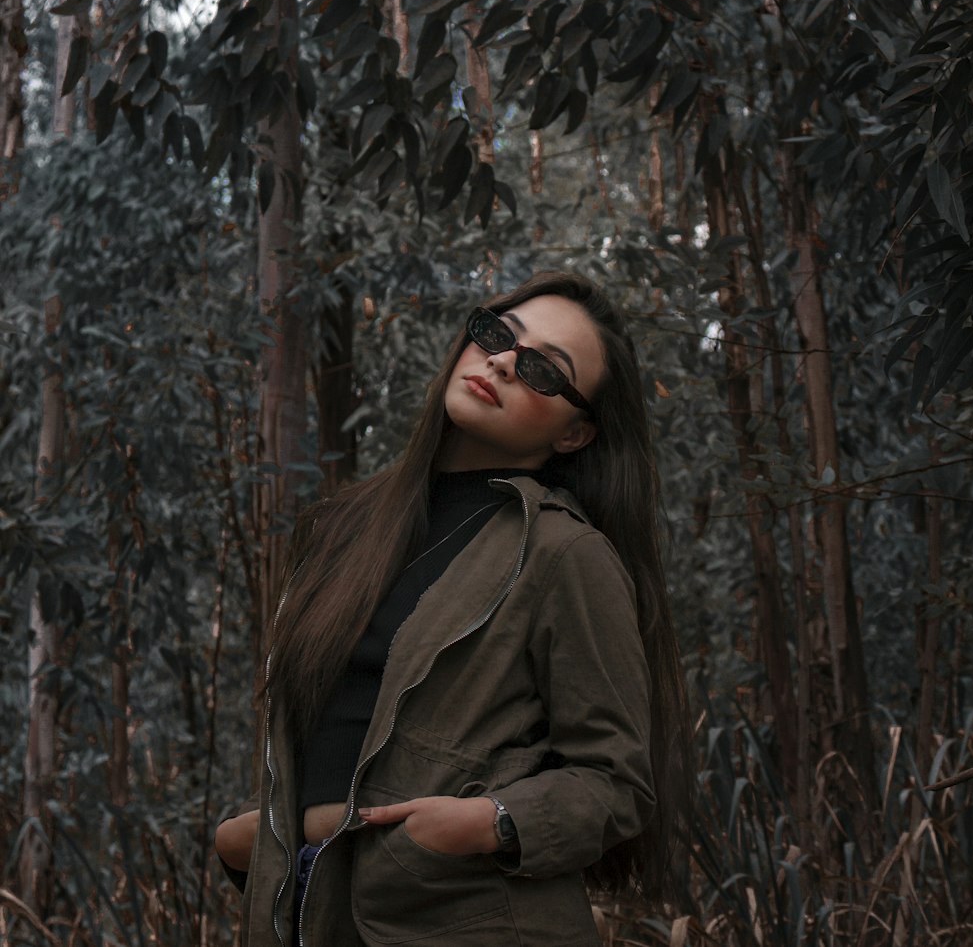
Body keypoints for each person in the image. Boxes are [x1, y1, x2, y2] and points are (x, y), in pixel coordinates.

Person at [216, 271, 691, 947]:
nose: (501, 361)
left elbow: (616, 784)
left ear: (576, 434)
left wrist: (487, 822)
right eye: (498, 336)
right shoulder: (344, 528)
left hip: (467, 922)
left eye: (542, 371)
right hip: (311, 913)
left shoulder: (565, 555)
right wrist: (251, 836)